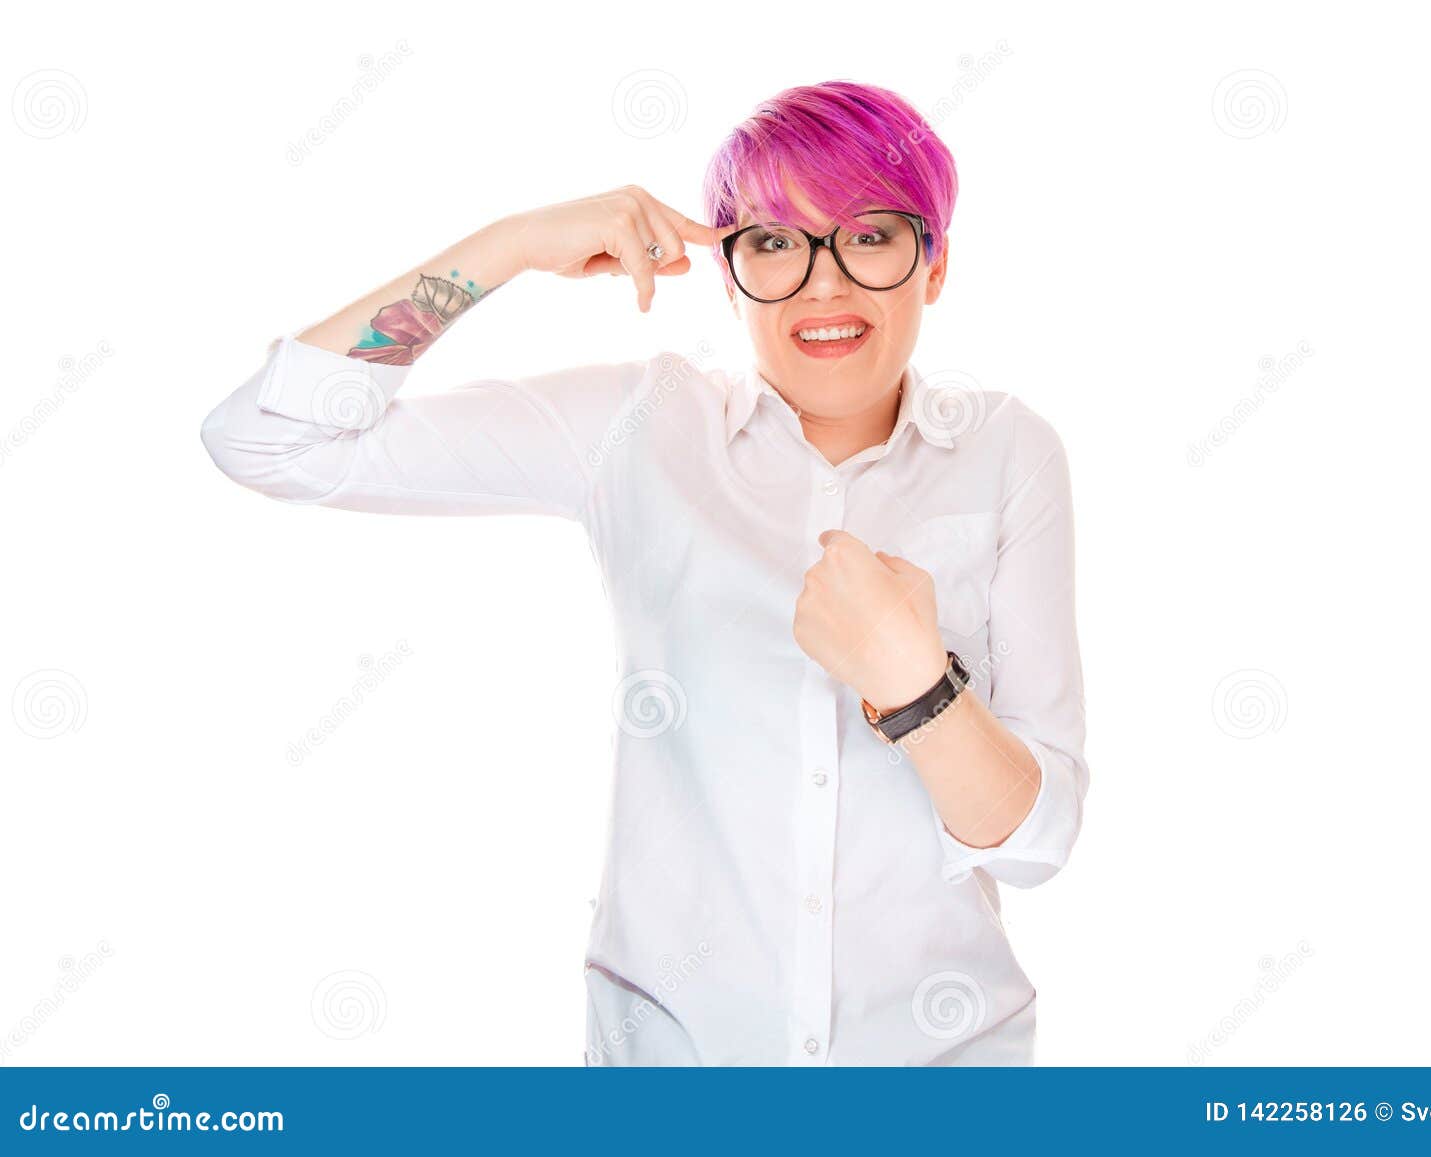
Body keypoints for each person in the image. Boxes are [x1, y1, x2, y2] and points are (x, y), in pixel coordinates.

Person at [200, 79, 1089, 1066]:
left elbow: (1036, 840)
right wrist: (507, 248)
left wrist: (918, 684)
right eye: (775, 240)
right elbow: (272, 440)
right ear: (730, 269)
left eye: (869, 235)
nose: (823, 284)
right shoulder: (643, 429)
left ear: (933, 264)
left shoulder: (1008, 452)